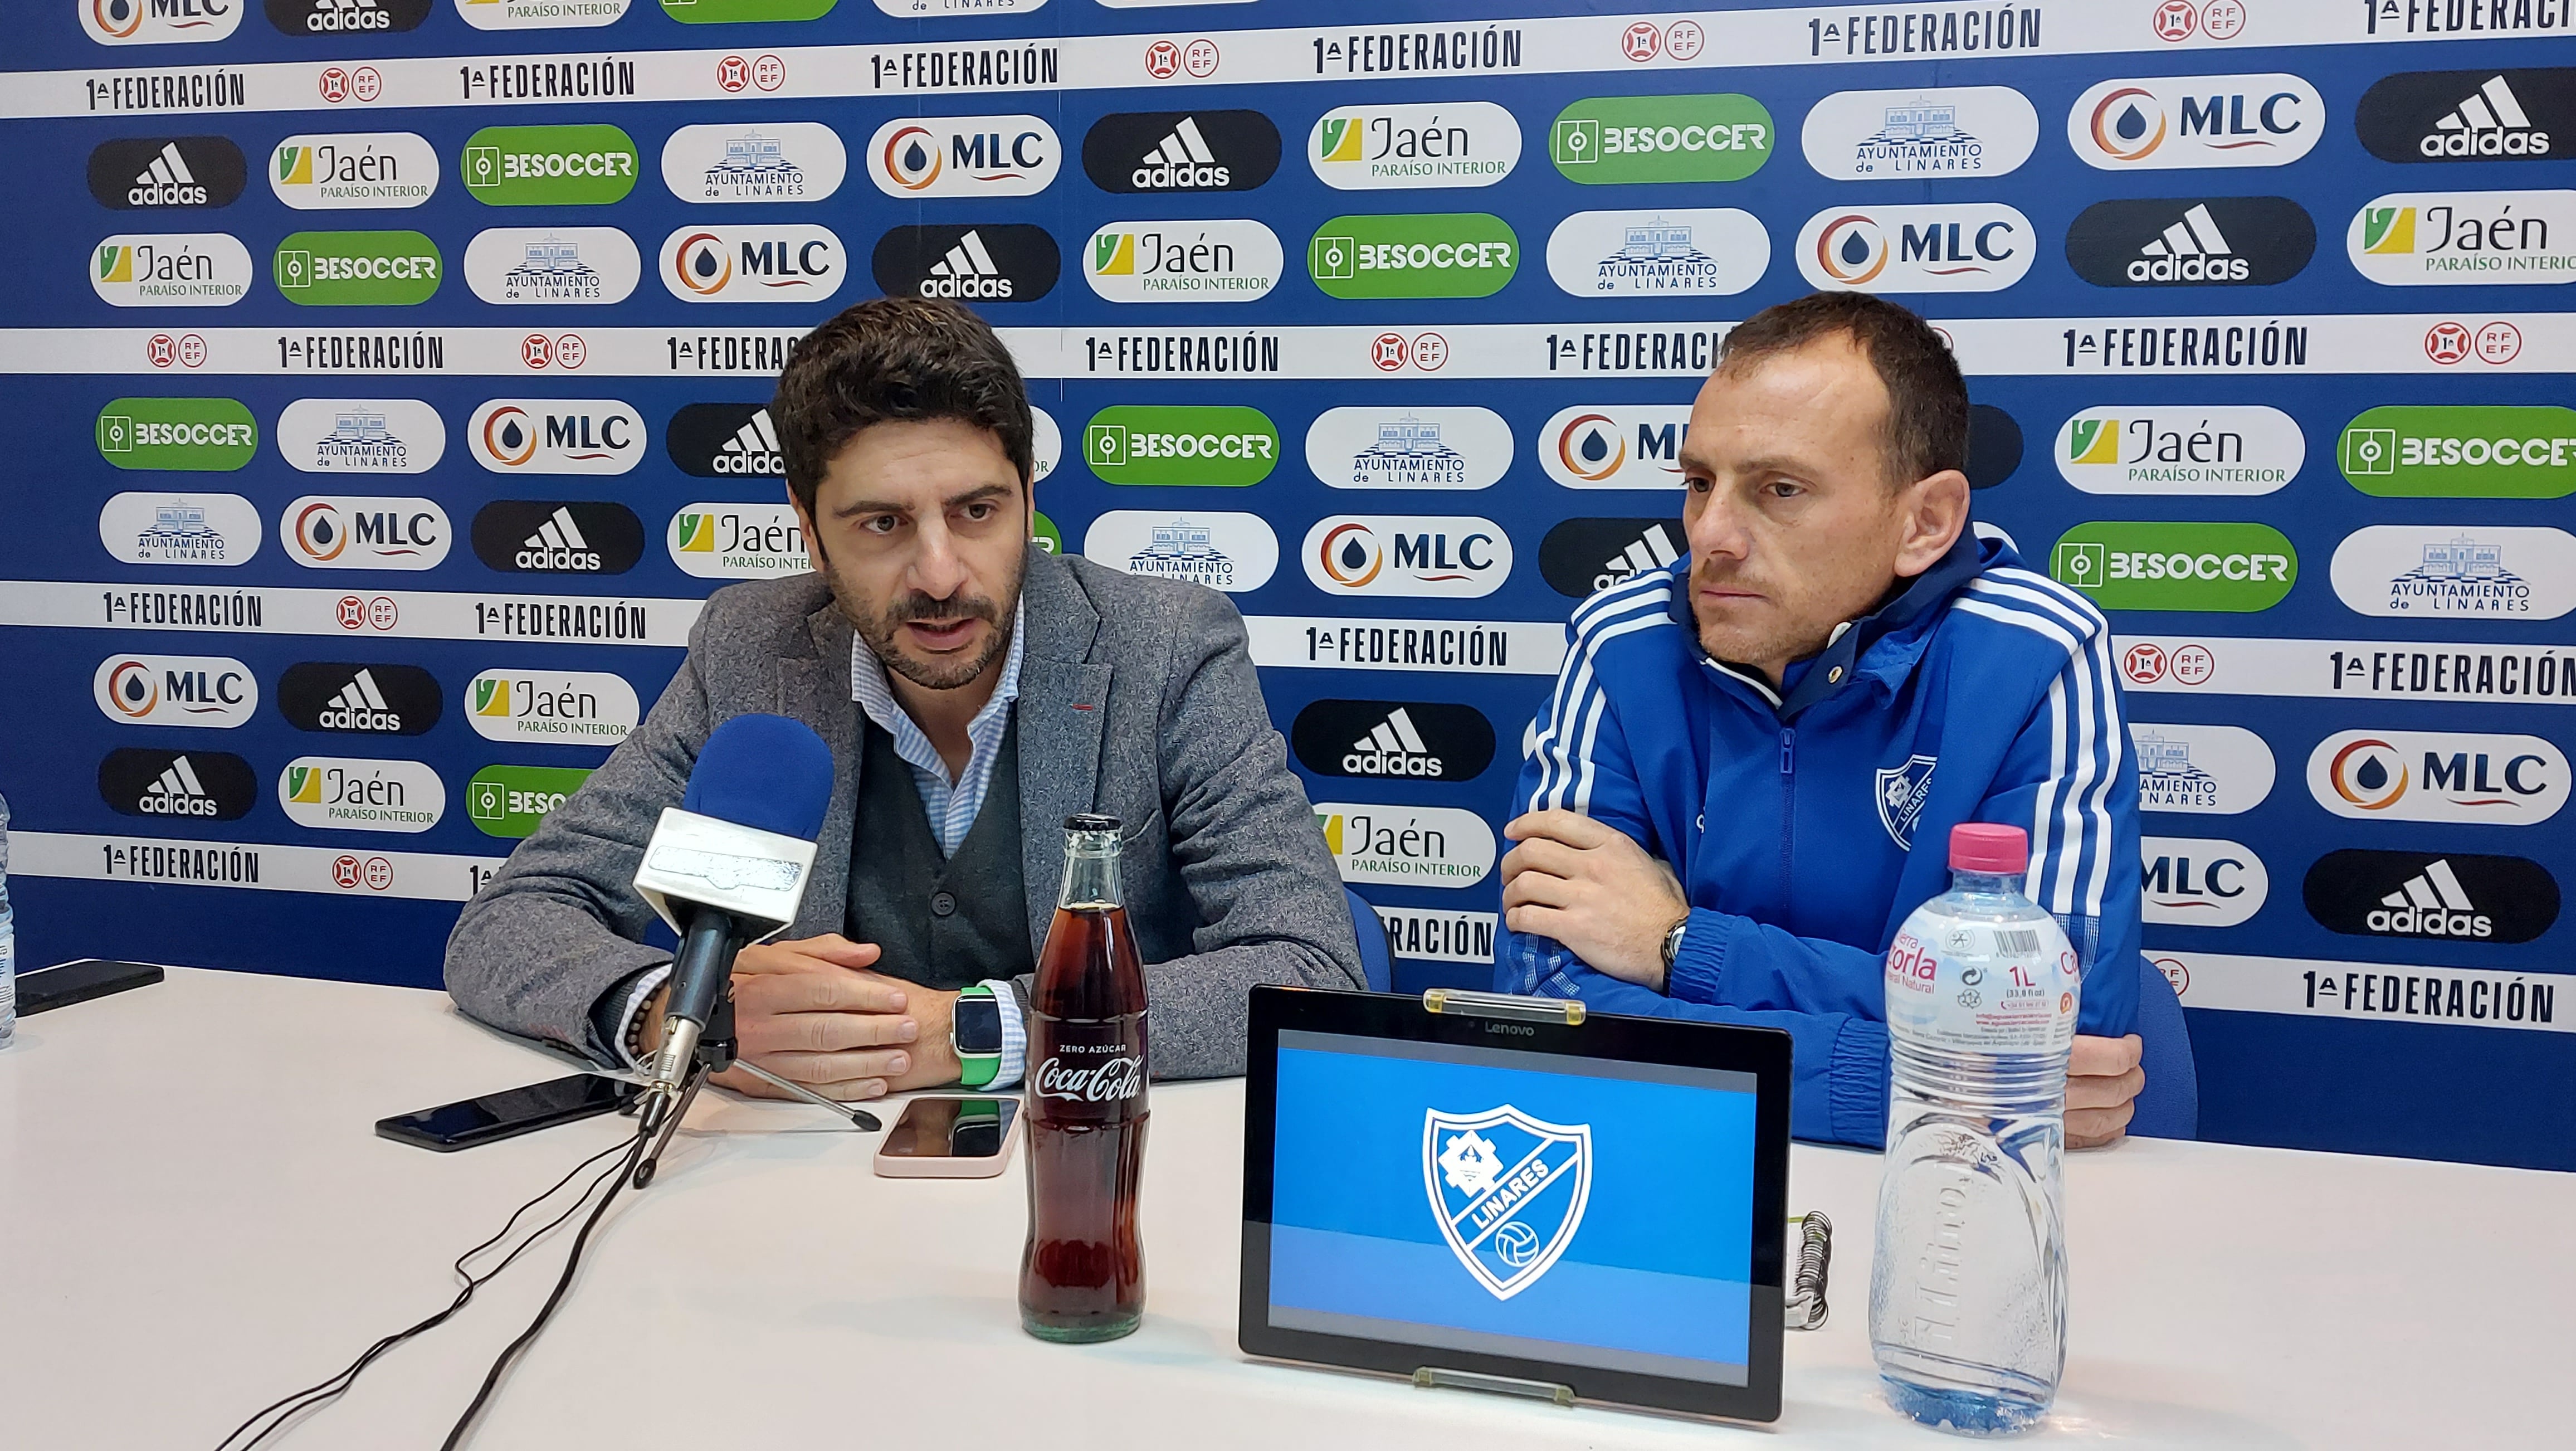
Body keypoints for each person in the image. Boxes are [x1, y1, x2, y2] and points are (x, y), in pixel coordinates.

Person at [446, 296, 1360, 1101]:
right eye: (883, 524)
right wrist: (682, 1015)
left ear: (1029, 499)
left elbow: (1309, 972)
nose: (939, 574)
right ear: (808, 529)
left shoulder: (1165, 648)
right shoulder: (750, 651)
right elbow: (510, 923)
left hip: (1090, 1163)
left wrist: (969, 1033)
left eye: (977, 512)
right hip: (800, 1195)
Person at [1497, 291, 2146, 1149]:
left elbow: (2056, 1029)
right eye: (1699, 484)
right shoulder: (1621, 645)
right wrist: (1918, 1080)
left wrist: (1680, 946)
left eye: (1780, 489)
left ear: (1925, 523)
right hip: (1667, 1176)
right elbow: (1547, 1011)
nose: (1711, 536)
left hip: (1946, 1203)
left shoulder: (2033, 655)